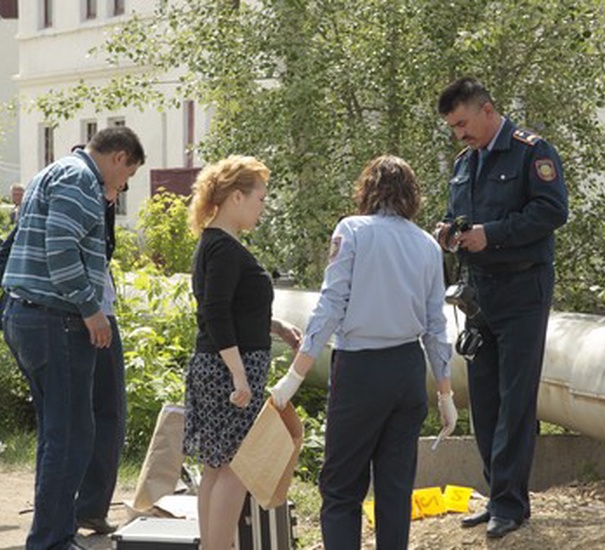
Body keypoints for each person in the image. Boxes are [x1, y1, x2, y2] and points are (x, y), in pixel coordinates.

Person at [270, 155, 457, 550]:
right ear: (411, 195)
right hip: (408, 370)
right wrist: (445, 393)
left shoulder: (352, 230)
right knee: (395, 488)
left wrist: (295, 375)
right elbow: (436, 326)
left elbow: (330, 305)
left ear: (367, 190)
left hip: (361, 370)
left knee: (341, 488)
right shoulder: (427, 244)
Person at [433, 77, 569, 539]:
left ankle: (511, 503)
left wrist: (493, 234)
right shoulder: (465, 161)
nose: (459, 134)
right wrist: (450, 231)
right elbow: (461, 214)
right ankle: (498, 495)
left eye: (463, 124)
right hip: (479, 293)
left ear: (487, 110)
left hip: (522, 289)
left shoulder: (531, 151)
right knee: (485, 398)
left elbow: (552, 212)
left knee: (515, 397)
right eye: (453, 128)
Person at [1, 126, 145, 550]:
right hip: (56, 320)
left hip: (31, 315)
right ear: (119, 157)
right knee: (71, 437)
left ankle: (54, 532)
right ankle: (50, 540)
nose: (122, 185)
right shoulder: (81, 179)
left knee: (59, 434)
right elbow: (61, 250)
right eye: (128, 174)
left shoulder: (55, 171)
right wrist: (90, 308)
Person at [184, 155, 301, 550]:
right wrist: (238, 374)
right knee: (235, 465)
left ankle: (216, 545)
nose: (262, 207)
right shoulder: (224, 249)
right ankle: (218, 546)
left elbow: (232, 309)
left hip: (221, 364)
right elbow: (214, 312)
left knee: (217, 465)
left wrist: (277, 327)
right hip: (227, 370)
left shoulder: (217, 244)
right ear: (236, 197)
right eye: (260, 199)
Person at [74, 190, 126, 536]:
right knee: (100, 413)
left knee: (102, 414)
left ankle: (89, 507)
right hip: (87, 315)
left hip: (93, 312)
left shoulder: (90, 203)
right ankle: (84, 508)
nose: (118, 192)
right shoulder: (78, 199)